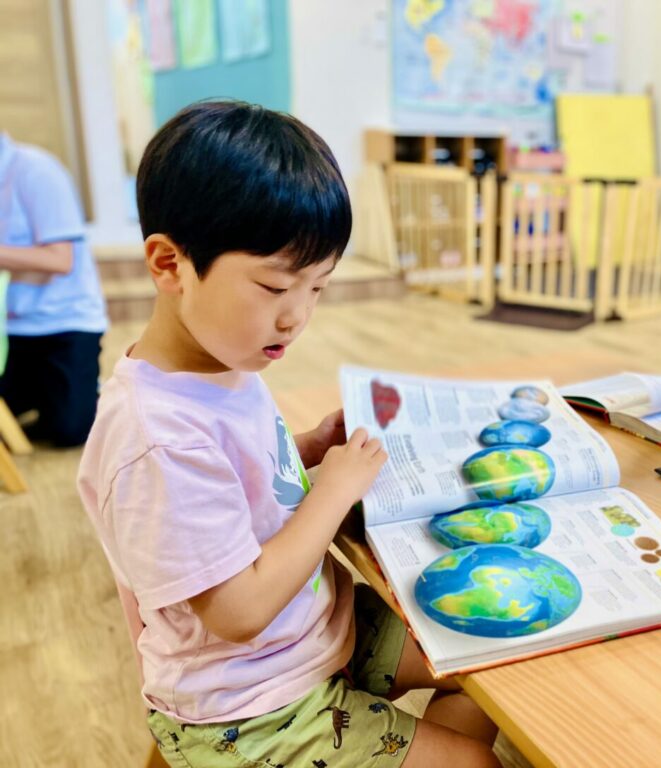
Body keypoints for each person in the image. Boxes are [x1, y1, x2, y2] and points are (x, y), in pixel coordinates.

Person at [77, 101, 499, 767]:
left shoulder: (221, 358)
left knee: (482, 653)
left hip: (310, 629)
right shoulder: (155, 437)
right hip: (251, 705)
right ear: (169, 264)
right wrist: (332, 491)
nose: (296, 317)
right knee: (476, 759)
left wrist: (307, 448)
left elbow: (236, 481)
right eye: (274, 287)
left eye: (317, 288)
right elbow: (238, 611)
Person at [0, 132, 108, 446]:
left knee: (68, 431)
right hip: (12, 328)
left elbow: (60, 260)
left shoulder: (36, 170)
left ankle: (89, 390)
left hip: (65, 322)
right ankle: (44, 393)